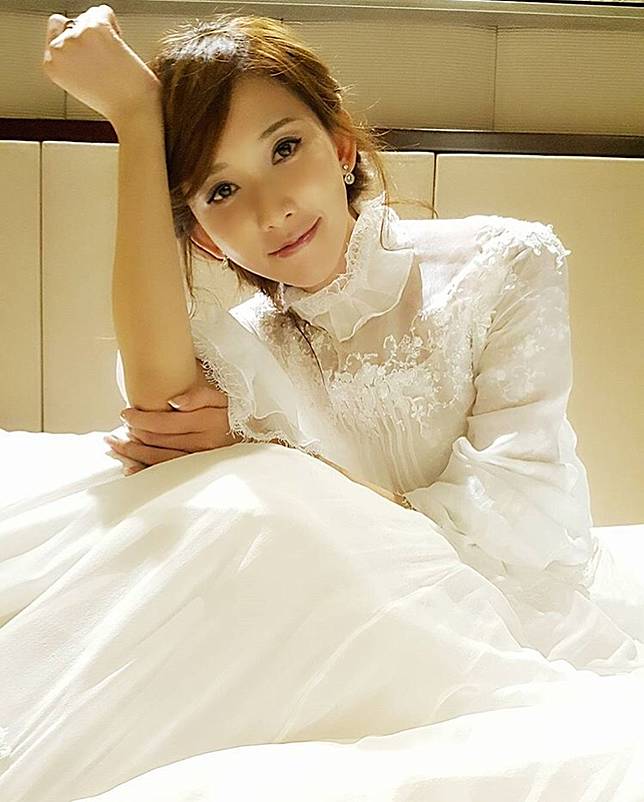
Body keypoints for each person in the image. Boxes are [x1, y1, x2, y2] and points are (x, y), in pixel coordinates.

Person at [1, 6, 641, 801]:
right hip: (331, 617)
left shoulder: (502, 263)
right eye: (221, 189)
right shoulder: (248, 345)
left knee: (258, 491)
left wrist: (287, 463)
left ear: (341, 148)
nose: (272, 209)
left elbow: (520, 515)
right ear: (201, 236)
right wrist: (134, 120)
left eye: (285, 148)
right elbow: (158, 396)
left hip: (496, 611)